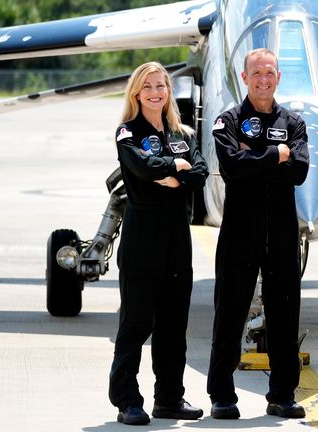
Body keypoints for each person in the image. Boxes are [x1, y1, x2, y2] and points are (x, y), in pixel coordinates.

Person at [207, 48, 309, 420]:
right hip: (239, 230)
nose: (263, 79)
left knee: (285, 314)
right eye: (257, 73)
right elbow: (232, 167)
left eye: (270, 72)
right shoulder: (228, 121)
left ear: (279, 77)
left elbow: (298, 171)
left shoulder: (294, 123)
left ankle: (282, 394)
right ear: (244, 76)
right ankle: (222, 395)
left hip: (282, 231)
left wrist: (258, 156)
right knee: (229, 312)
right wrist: (275, 155)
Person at [109, 61, 208, 426]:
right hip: (142, 234)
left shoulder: (182, 131)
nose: (155, 92)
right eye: (148, 86)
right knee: (136, 321)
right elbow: (141, 167)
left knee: (173, 323)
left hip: (177, 237)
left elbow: (200, 172)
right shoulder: (127, 132)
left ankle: (169, 399)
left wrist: (175, 172)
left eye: (161, 86)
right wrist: (174, 168)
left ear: (168, 92)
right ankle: (127, 400)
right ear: (136, 92)